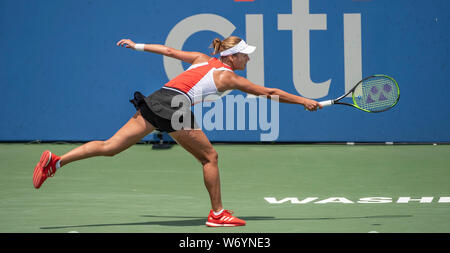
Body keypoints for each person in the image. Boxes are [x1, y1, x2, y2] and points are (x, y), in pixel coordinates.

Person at [32, 36, 321, 227]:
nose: (248, 59)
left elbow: (169, 51)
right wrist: (303, 100)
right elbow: (268, 91)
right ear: (231, 57)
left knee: (110, 147)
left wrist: (137, 46)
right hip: (175, 106)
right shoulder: (228, 76)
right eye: (244, 55)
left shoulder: (199, 59)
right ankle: (218, 214)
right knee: (210, 157)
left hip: (157, 98)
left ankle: (56, 161)